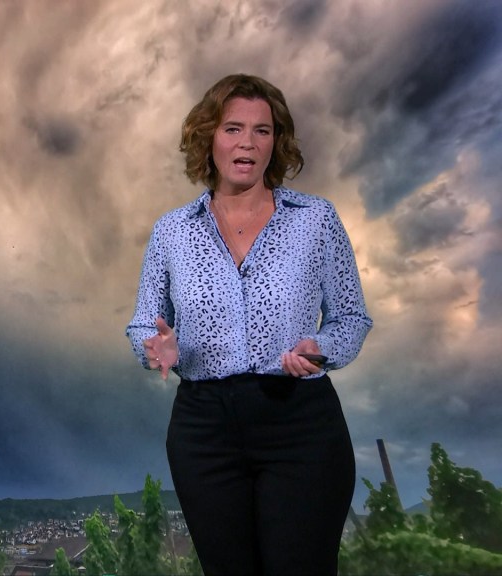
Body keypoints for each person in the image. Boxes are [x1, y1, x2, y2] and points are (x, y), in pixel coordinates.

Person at [126, 74, 372, 575]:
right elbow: (142, 326)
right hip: (204, 432)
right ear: (208, 138)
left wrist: (321, 347)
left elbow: (351, 317)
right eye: (233, 128)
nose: (248, 142)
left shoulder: (316, 219)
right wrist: (158, 348)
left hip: (299, 424)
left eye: (263, 130)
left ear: (276, 141)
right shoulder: (172, 232)